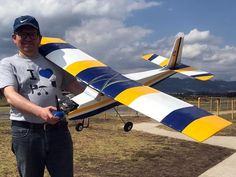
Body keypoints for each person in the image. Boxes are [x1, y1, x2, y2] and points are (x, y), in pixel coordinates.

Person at [0, 15, 83, 177]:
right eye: (22, 34)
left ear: (39, 38)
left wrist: (102, 92)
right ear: (14, 38)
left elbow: (74, 86)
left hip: (58, 131)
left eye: (32, 33)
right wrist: (41, 112)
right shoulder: (7, 63)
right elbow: (10, 95)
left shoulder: (56, 62)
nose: (27, 38)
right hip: (26, 132)